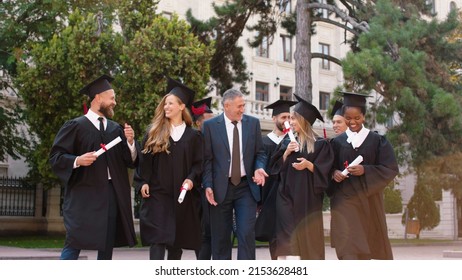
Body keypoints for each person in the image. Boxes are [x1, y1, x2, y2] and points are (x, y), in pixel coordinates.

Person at [49, 74, 139, 260]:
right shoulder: (75, 126)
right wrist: (77, 160)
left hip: (111, 194)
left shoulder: (115, 130)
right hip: (84, 196)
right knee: (74, 242)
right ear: (98, 97)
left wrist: (130, 143)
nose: (115, 102)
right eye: (112, 98)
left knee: (107, 245)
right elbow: (56, 157)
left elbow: (129, 161)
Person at [134, 77, 203, 260]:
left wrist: (191, 178)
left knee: (176, 243)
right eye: (165, 104)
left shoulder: (193, 136)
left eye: (170, 103)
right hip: (158, 194)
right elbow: (144, 161)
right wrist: (142, 182)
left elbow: (199, 163)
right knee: (158, 240)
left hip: (181, 197)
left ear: (182, 106)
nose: (166, 107)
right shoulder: (154, 132)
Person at [329, 91, 399, 260]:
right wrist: (334, 173)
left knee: (365, 253)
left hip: (369, 202)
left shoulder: (376, 141)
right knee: (348, 252)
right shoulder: (336, 143)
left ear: (364, 117)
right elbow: (327, 168)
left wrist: (365, 170)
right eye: (348, 118)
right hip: (344, 201)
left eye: (357, 118)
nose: (352, 122)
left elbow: (390, 169)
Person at [202, 88, 268, 260]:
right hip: (220, 189)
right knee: (221, 238)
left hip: (246, 187)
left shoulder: (253, 123)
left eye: (243, 105)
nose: (242, 109)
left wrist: (259, 167)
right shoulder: (209, 126)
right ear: (226, 106)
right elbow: (207, 160)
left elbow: (260, 153)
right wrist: (208, 185)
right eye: (239, 106)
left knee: (246, 233)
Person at [270, 94, 333, 260]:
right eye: (289, 118)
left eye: (294, 119)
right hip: (285, 197)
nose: (290, 122)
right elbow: (275, 169)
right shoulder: (286, 143)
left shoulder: (320, 145)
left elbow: (325, 175)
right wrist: (286, 153)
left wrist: (309, 165)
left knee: (307, 240)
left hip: (307, 200)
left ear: (304, 121)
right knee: (286, 239)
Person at [255, 99, 296, 260]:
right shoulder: (264, 141)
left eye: (289, 117)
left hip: (289, 193)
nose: (287, 121)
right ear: (274, 119)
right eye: (283, 117)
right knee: (274, 234)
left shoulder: (292, 141)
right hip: (270, 192)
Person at [190, 97, 215, 260]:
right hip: (196, 194)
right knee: (203, 234)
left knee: (212, 233)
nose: (213, 125)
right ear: (198, 123)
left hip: (211, 191)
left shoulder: (213, 139)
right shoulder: (192, 139)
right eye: (208, 122)